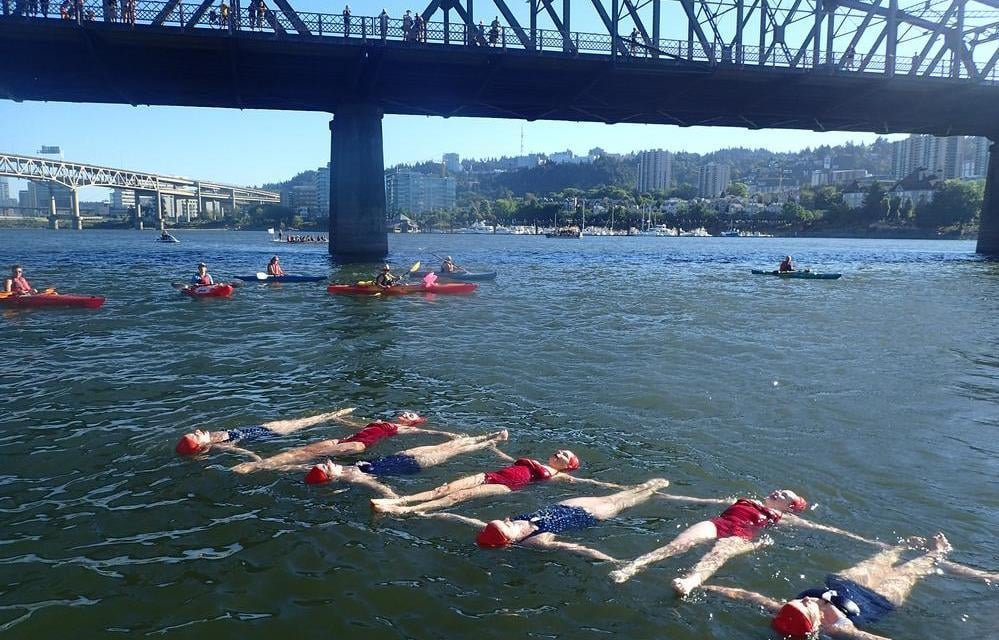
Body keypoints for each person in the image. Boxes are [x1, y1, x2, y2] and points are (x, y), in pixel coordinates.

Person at [609, 489, 879, 596]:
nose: (777, 492)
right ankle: (632, 567)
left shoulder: (782, 518)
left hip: (742, 536)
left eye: (784, 495)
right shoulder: (744, 499)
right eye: (779, 490)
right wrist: (666, 497)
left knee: (718, 555)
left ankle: (690, 582)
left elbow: (826, 528)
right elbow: (705, 502)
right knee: (678, 544)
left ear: (790, 507)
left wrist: (866, 540)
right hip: (720, 523)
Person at [704, 534, 962, 639]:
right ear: (815, 625)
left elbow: (750, 596)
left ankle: (902, 546)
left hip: (845, 584)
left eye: (801, 600)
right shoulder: (839, 628)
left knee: (879, 560)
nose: (807, 600)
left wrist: (709, 588)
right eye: (807, 605)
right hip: (878, 600)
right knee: (910, 571)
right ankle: (935, 554)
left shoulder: (789, 609)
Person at [429, 479, 670, 562]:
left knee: (613, 495)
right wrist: (614, 560)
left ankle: (646, 487)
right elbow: (575, 548)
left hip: (566, 506)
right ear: (508, 541)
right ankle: (650, 492)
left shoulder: (502, 530)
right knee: (621, 503)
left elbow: (464, 519)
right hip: (587, 517)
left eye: (506, 521)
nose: (509, 520)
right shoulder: (535, 542)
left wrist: (433, 514)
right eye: (508, 526)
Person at [371, 448, 620, 515]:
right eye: (561, 450)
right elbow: (510, 460)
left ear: (569, 467)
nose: (560, 453)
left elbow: (594, 484)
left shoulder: (559, 476)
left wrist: (620, 489)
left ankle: (408, 511)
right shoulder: (532, 460)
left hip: (504, 486)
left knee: (456, 497)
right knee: (444, 488)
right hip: (490, 474)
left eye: (566, 456)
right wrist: (494, 448)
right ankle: (398, 501)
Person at [230, 411, 458, 473]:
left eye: (412, 416)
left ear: (412, 423)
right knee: (301, 450)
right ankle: (264, 464)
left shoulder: (399, 429)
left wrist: (450, 437)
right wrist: (340, 417)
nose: (406, 414)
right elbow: (356, 426)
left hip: (357, 446)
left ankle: (256, 467)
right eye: (407, 413)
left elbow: (426, 432)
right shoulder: (379, 421)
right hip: (346, 438)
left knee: (308, 456)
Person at [303, 430, 513, 498]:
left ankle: (487, 436)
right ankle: (492, 441)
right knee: (455, 450)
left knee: (449, 444)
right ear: (329, 476)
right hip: (414, 465)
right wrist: (395, 498)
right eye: (325, 466)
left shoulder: (344, 469)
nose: (327, 461)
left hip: (401, 456)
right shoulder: (351, 476)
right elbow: (376, 485)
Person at [175, 407, 356, 457]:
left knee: (302, 422)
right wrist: (255, 458)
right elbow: (238, 450)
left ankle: (333, 416)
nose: (198, 430)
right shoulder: (218, 445)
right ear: (199, 444)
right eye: (196, 435)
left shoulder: (212, 437)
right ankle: (336, 416)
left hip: (262, 427)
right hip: (269, 433)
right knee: (305, 422)